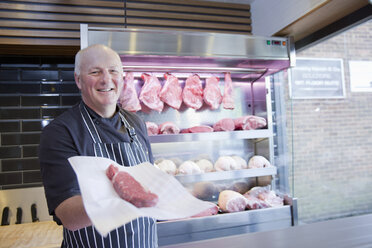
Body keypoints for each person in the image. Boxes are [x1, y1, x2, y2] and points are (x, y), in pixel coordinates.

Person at [39, 44, 157, 248]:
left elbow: (150, 180)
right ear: (78, 79)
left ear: (122, 77)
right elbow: (68, 216)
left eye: (113, 71)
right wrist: (124, 197)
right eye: (95, 72)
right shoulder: (60, 132)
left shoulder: (136, 123)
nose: (106, 79)